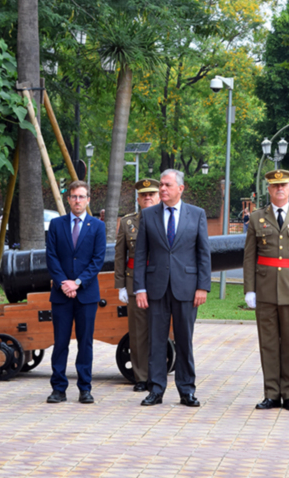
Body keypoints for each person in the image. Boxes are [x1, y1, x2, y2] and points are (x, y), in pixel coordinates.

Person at [133, 169, 211, 407]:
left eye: (167, 185)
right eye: (161, 186)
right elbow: (140, 255)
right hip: (156, 288)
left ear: (181, 188)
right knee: (156, 340)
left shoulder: (196, 215)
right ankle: (155, 389)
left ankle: (186, 390)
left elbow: (203, 253)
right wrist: (140, 288)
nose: (162, 189)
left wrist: (202, 287)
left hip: (187, 288)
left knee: (184, 340)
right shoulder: (148, 215)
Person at [243, 169, 289, 411]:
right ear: (268, 189)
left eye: (283, 185)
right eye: (275, 186)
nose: (279, 189)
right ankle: (271, 393)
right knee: (268, 343)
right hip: (265, 289)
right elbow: (249, 257)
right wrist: (249, 289)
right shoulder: (257, 218)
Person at [45, 180, 107, 404]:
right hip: (61, 295)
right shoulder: (56, 224)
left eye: (82, 197)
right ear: (68, 199)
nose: (77, 201)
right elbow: (51, 257)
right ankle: (58, 388)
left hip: (87, 294)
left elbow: (97, 260)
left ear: (88, 199)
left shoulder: (97, 226)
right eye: (74, 197)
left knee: (85, 342)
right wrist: (64, 282)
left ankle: (85, 388)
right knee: (60, 342)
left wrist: (77, 283)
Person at [114, 178, 160, 392]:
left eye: (151, 194)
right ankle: (141, 377)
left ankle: (158, 376)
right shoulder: (128, 222)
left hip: (161, 282)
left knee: (159, 331)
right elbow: (120, 256)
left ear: (159, 196)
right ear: (138, 199)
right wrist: (121, 285)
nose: (147, 197)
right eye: (143, 195)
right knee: (138, 332)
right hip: (135, 282)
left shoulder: (167, 218)